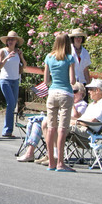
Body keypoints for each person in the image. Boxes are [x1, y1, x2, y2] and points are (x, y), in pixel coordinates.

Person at [17, 82, 86, 163]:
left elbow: (76, 116)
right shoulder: (65, 102)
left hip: (68, 126)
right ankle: (33, 152)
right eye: (70, 91)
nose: (72, 93)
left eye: (74, 91)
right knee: (37, 123)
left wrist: (72, 103)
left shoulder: (82, 104)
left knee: (43, 123)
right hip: (58, 122)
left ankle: (36, 154)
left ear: (81, 93)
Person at [43, 33, 76, 172]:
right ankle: (61, 162)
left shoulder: (49, 57)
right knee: (63, 128)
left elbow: (46, 81)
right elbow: (72, 80)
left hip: (52, 93)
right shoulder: (69, 58)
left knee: (51, 128)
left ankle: (51, 161)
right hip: (65, 93)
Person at [0, 31, 27, 138]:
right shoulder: (3, 51)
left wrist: (21, 56)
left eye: (12, 39)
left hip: (15, 80)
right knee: (11, 103)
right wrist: (6, 58)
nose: (10, 41)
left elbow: (24, 65)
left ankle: (9, 129)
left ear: (16, 41)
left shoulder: (18, 52)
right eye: (8, 39)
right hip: (5, 80)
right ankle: (7, 130)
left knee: (13, 105)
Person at [69, 28, 92, 99]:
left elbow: (86, 70)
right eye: (76, 37)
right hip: (70, 82)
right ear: (73, 38)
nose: (78, 39)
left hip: (82, 82)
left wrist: (89, 84)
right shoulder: (68, 50)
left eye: (80, 37)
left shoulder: (85, 52)